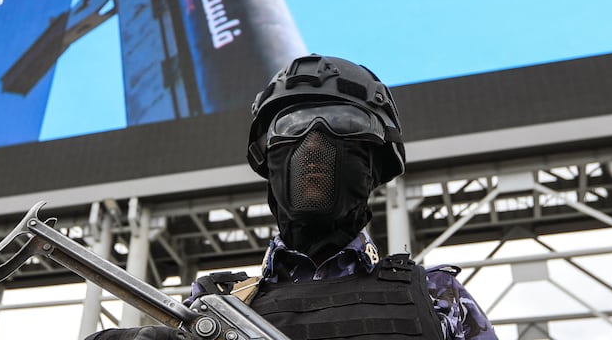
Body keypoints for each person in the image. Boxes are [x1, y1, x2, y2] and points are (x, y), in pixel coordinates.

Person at [87, 54, 498, 340]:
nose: (315, 143)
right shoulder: (214, 306)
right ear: (267, 156)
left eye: (345, 122)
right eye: (292, 125)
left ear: (376, 161)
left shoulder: (439, 297)